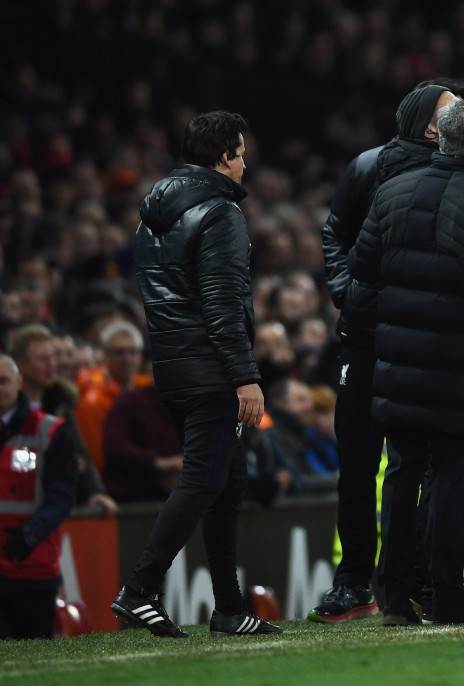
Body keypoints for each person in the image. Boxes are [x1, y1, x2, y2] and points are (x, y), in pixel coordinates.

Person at [350, 98, 464, 625]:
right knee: (452, 480)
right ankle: (444, 594)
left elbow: (363, 263)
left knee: (403, 473)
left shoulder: (392, 191)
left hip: (400, 360)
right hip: (462, 361)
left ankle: (393, 599)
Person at [110, 110, 281, 637]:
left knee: (226, 484)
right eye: (241, 151)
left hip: (173, 365)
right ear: (225, 155)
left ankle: (228, 607)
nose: (245, 162)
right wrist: (244, 376)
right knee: (204, 481)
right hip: (211, 369)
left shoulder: (151, 215)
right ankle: (139, 589)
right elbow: (222, 303)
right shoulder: (219, 213)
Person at [310, 81, 460, 624]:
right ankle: (352, 580)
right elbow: (336, 231)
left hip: (423, 339)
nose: (458, 115)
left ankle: (410, 578)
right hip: (367, 335)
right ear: (424, 121)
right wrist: (346, 291)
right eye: (448, 109)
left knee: (414, 461)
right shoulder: (369, 166)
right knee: (356, 459)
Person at [0, 354, 78, 639]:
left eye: (3, 381)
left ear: (19, 382)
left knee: (34, 654)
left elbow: (63, 495)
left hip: (32, 565)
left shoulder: (50, 430)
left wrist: (31, 535)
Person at [7, 324, 117, 517]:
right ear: (21, 365)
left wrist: (95, 491)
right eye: (42, 359)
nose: (52, 365)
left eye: (53, 357)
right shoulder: (7, 406)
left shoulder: (61, 403)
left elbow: (80, 452)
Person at [74, 320, 151, 476]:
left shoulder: (149, 390)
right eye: (119, 352)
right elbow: (95, 455)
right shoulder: (92, 401)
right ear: (104, 355)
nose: (126, 359)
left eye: (132, 352)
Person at [103, 384, 183, 502]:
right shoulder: (131, 402)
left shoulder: (193, 405)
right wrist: (155, 462)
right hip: (134, 499)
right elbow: (114, 446)